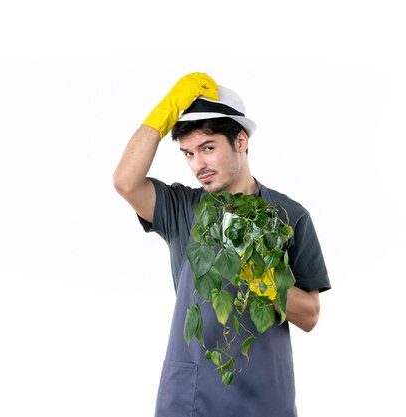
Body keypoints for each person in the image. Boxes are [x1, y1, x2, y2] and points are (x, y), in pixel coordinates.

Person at [113, 72, 331, 417]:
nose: (198, 164)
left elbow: (310, 316)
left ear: (240, 141)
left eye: (208, 148)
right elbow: (125, 181)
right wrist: (164, 112)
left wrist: (260, 273)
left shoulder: (290, 215)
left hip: (265, 397)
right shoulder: (181, 208)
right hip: (191, 397)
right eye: (188, 153)